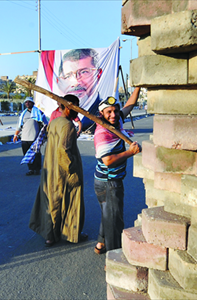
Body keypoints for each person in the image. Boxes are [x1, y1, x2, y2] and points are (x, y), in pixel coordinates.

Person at [29, 94, 87, 246]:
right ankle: (71, 233)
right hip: (62, 170)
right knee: (69, 201)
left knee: (52, 200)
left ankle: (50, 235)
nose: (78, 110)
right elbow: (63, 151)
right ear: (68, 107)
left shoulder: (54, 122)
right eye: (76, 106)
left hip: (51, 168)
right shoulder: (67, 126)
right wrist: (72, 172)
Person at [93, 88, 141, 254]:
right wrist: (130, 152)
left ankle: (100, 244)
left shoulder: (117, 120)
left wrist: (138, 86)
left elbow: (130, 104)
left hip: (104, 180)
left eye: (115, 111)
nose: (113, 115)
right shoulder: (102, 132)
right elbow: (108, 160)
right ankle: (114, 257)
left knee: (107, 213)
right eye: (109, 112)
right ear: (101, 114)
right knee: (114, 219)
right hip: (108, 182)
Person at [58, 48, 103, 131]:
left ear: (98, 74)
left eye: (84, 72)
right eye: (68, 76)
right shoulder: (56, 115)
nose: (76, 82)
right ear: (59, 81)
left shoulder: (104, 113)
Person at [13, 97, 48, 176]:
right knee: (27, 154)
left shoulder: (39, 113)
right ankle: (31, 169)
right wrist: (16, 135)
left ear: (33, 103)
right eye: (26, 102)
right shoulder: (23, 114)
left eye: (29, 102)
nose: (27, 103)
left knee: (36, 154)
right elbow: (19, 126)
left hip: (35, 137)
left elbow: (45, 124)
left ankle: (37, 169)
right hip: (25, 137)